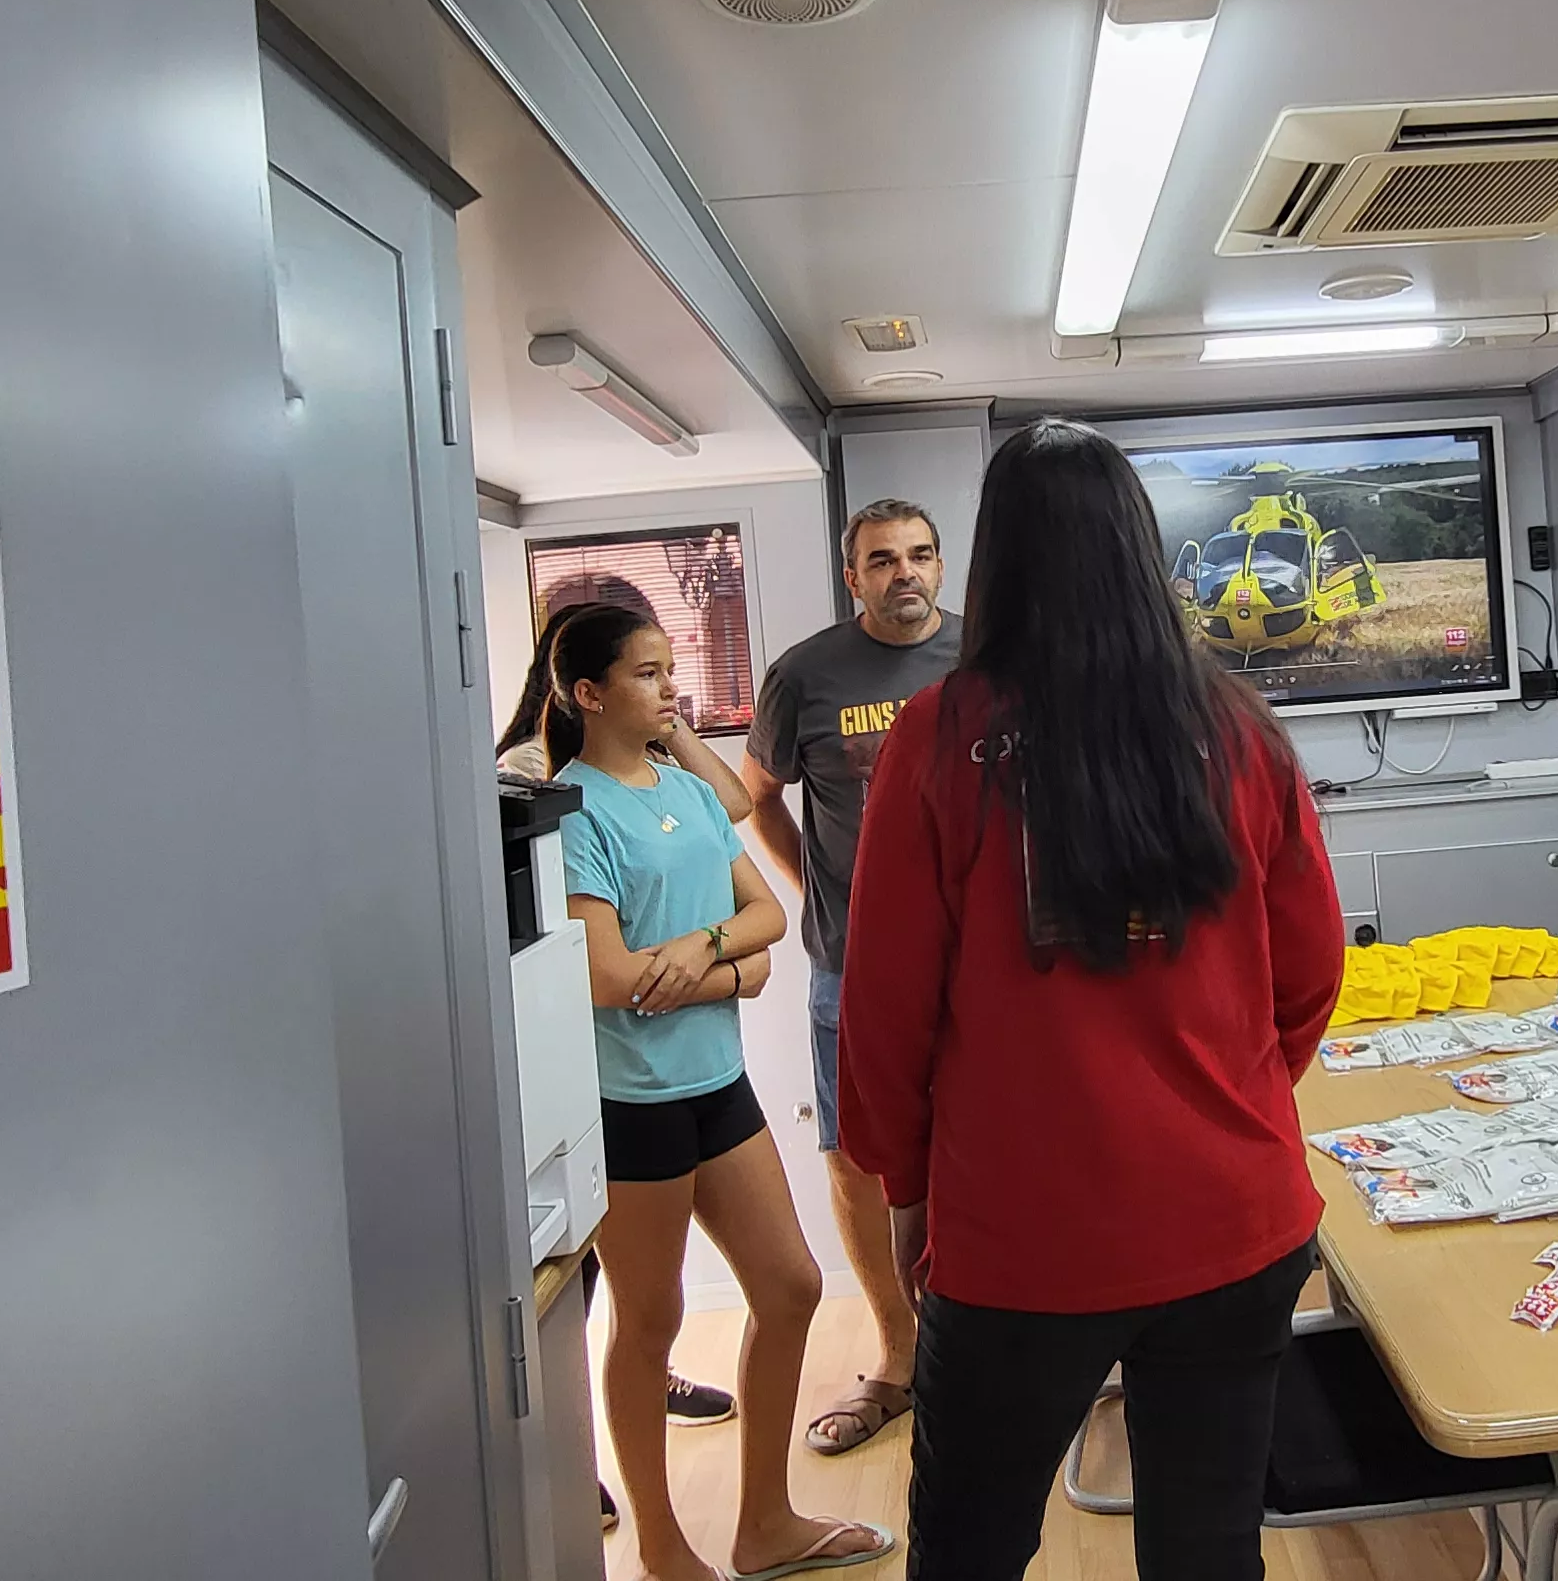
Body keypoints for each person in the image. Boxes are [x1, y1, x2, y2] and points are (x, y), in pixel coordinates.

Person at [834, 421, 1345, 1581]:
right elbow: (1310, 974)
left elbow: (885, 1011)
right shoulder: (1239, 732)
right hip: (1236, 1219)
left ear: (992, 561)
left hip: (1024, 1235)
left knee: (968, 1550)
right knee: (1210, 1551)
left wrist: (903, 1184)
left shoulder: (942, 737)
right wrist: (1230, 1100)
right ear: (1138, 546)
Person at [493, 603, 892, 1581]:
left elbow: (761, 912)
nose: (668, 688)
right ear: (587, 694)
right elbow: (608, 978)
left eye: (669, 670)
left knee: (792, 1287)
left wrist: (706, 950)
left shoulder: (682, 791)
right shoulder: (574, 809)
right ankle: (666, 1549)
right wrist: (734, 971)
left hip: (718, 1085)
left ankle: (763, 1527)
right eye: (644, 674)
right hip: (632, 1107)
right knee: (650, 1323)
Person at [740, 498, 962, 1456]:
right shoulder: (805, 675)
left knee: (985, 1141)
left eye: (918, 556)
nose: (902, 573)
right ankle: (900, 1347)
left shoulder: (986, 656)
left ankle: (1003, 1327)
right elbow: (761, 801)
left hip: (975, 966)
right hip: (850, 968)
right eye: (882, 560)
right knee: (856, 1156)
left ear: (941, 566)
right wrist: (822, 895)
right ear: (853, 576)